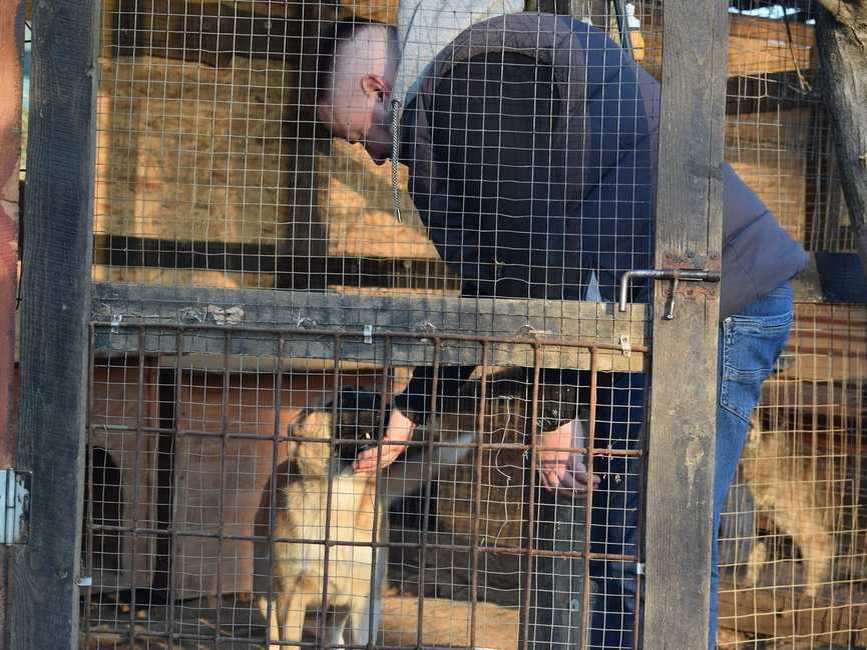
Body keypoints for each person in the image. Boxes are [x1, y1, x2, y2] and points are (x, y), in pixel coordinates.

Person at [314, 8, 807, 649]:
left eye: (357, 135)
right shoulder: (466, 81)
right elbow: (494, 283)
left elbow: (537, 258)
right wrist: (413, 410)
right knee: (622, 546)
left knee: (655, 549)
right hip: (656, 313)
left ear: (376, 88)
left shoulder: (473, 79)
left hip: (709, 306)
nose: (374, 155)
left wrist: (553, 412)